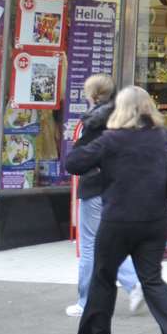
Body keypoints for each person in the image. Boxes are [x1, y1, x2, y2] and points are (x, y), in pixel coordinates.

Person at [64, 86, 167, 334]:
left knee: (103, 278)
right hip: (154, 221)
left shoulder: (111, 139)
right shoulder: (165, 138)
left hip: (117, 221)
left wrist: (92, 127)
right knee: (152, 280)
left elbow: (74, 163)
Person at [65, 74, 142, 318]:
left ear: (92, 94)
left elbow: (79, 158)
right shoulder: (122, 116)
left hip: (95, 186)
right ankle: (134, 282)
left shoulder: (92, 121)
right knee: (107, 241)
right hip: (117, 187)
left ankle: (86, 300)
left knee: (91, 244)